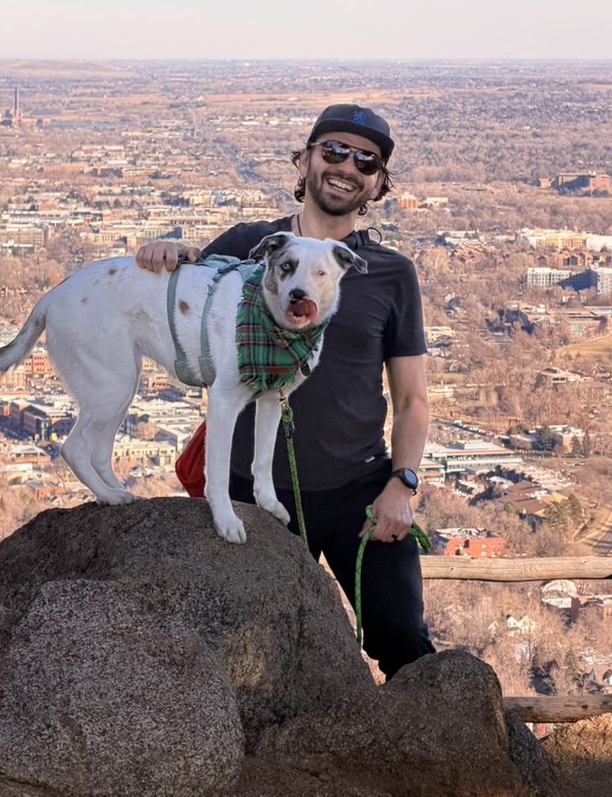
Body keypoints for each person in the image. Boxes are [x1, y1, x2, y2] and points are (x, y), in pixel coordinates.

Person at [136, 104, 435, 678]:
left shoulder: (388, 273)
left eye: (366, 159)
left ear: (377, 182)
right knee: (236, 653)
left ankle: (431, 763)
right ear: (305, 160)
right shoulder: (253, 244)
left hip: (361, 492)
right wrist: (165, 254)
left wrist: (403, 483)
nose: (348, 166)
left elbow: (413, 400)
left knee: (403, 639)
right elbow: (182, 288)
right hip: (255, 488)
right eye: (334, 151)